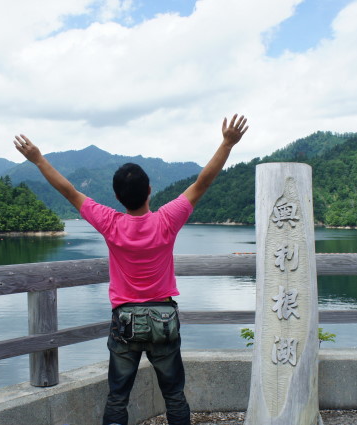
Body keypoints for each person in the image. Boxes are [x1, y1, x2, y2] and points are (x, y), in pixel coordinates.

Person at [13, 114, 248, 425]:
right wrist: (227, 143)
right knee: (174, 394)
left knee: (118, 396)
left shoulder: (110, 222)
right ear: (149, 190)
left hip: (125, 320)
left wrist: (38, 159)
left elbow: (69, 191)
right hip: (163, 319)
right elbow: (202, 182)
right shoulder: (167, 220)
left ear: (117, 196)